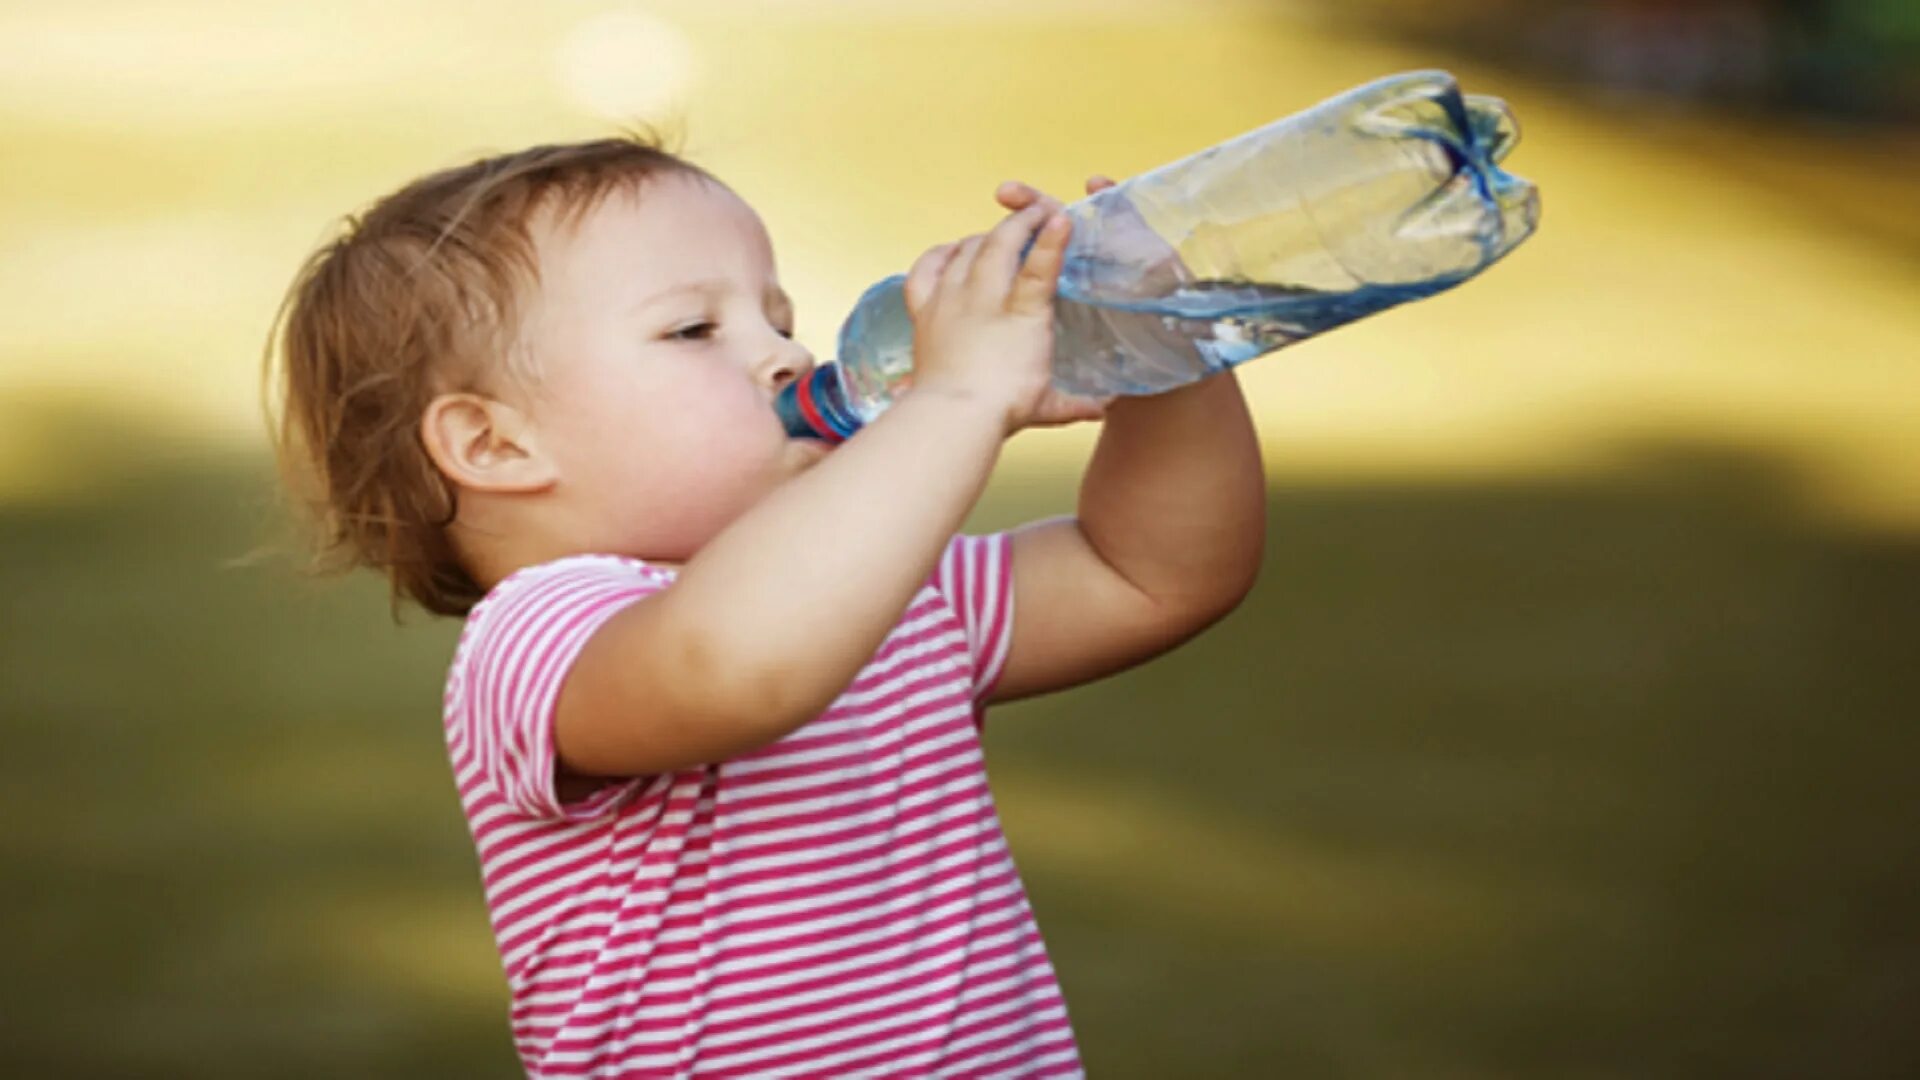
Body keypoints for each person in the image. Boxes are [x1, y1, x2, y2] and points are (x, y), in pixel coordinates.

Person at [266, 133, 1266, 1079]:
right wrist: (953, 403)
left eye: (779, 319)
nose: (787, 356)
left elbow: (1153, 575)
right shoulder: (538, 636)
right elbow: (736, 669)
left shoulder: (888, 587)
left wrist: (1164, 356)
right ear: (494, 446)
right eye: (696, 329)